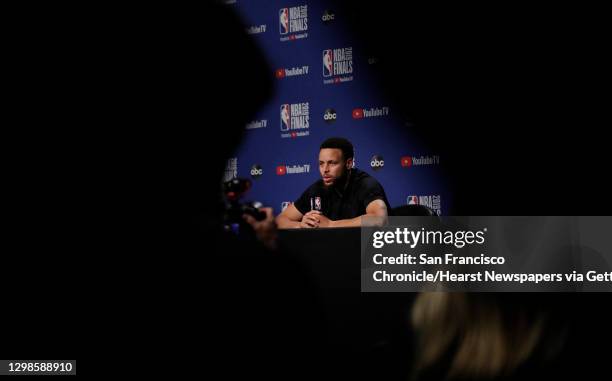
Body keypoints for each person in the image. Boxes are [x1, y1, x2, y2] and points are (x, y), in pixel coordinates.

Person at [276, 137, 390, 229]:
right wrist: (300, 225)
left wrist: (331, 225)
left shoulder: (365, 184)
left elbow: (380, 218)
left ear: (349, 163)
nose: (325, 169)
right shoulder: (317, 189)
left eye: (332, 163)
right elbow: (280, 220)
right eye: (321, 163)